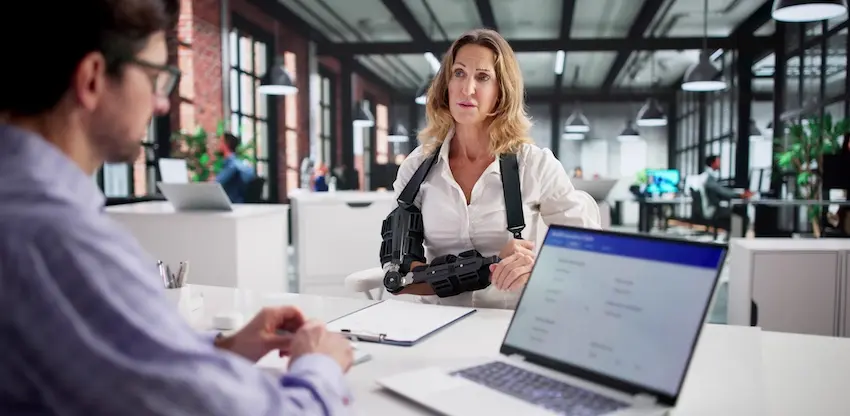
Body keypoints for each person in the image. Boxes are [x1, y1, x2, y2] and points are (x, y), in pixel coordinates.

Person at [0, 1, 353, 414]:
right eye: (156, 78)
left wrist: (224, 347)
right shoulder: (54, 237)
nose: (162, 103)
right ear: (93, 79)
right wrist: (320, 366)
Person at [387, 28, 599, 309]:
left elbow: (588, 252)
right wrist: (490, 266)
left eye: (483, 77)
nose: (467, 88)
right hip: (436, 324)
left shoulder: (534, 165)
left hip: (509, 322)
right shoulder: (415, 168)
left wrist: (537, 265)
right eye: (459, 73)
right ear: (446, 85)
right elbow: (401, 278)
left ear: (501, 92)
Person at [700, 155, 752, 230]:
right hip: (713, 209)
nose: (720, 163)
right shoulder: (708, 177)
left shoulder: (709, 176)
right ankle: (737, 238)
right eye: (718, 161)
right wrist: (740, 195)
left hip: (713, 207)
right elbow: (721, 191)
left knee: (737, 211)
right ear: (713, 163)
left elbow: (720, 190)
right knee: (740, 214)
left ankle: (735, 236)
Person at [216, 132, 256, 203]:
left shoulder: (232, 165)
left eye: (220, 141)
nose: (217, 144)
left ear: (226, 144)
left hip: (232, 205)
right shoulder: (237, 163)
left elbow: (215, 184)